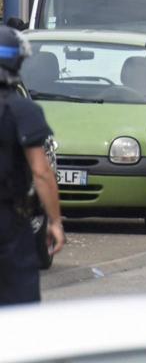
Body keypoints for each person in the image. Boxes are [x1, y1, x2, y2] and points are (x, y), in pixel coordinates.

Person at [0, 27, 65, 306]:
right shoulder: (23, 111)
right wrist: (55, 220)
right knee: (20, 311)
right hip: (9, 223)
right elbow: (40, 171)